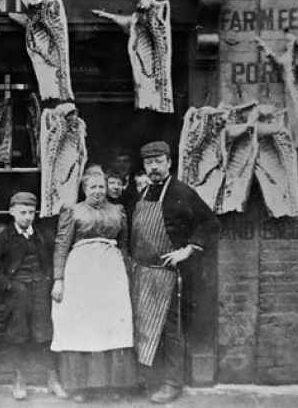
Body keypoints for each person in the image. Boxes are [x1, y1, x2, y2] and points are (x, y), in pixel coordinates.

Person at [129, 141, 219, 405]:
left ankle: (172, 382)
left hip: (167, 274)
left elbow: (210, 222)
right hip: (142, 273)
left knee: (170, 330)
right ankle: (150, 379)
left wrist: (188, 249)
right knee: (145, 329)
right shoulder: (143, 192)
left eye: (159, 161)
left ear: (169, 162)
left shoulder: (181, 192)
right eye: (149, 162)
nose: (154, 167)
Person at [50, 169, 137, 403]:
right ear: (84, 189)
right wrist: (59, 279)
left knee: (111, 324)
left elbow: (125, 244)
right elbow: (61, 245)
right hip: (81, 271)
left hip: (111, 271)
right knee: (83, 325)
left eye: (101, 187)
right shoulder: (73, 210)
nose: (98, 192)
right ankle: (80, 386)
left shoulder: (117, 211)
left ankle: (113, 384)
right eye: (93, 187)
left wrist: (127, 273)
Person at [0, 191, 68, 401]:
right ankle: (18, 379)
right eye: (22, 212)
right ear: (12, 212)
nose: (27, 217)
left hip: (41, 290)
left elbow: (51, 259)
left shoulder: (42, 234)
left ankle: (52, 378)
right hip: (17, 292)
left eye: (31, 212)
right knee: (17, 335)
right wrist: (10, 286)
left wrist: (49, 279)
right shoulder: (4, 237)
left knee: (46, 333)